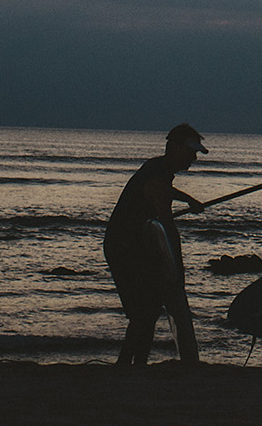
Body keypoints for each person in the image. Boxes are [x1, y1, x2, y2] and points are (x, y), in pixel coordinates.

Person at [104, 123, 208, 365]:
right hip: (124, 246)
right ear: (173, 147)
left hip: (135, 244)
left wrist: (189, 199)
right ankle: (129, 364)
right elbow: (166, 223)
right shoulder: (158, 171)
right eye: (190, 151)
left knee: (147, 309)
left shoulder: (159, 168)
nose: (193, 158)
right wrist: (177, 267)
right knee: (144, 311)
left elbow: (164, 190)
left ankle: (133, 364)